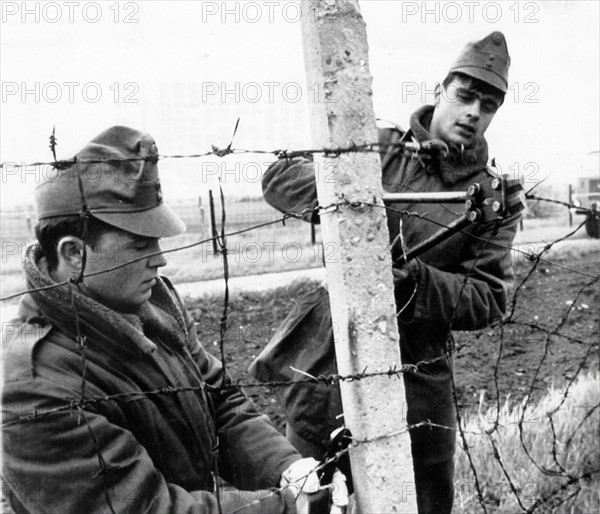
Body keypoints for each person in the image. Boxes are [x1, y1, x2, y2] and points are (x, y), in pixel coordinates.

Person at [1, 126, 348, 514]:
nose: (160, 258)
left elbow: (218, 398)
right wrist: (287, 507)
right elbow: (147, 509)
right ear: (74, 254)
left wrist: (289, 469)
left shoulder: (150, 301)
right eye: (140, 244)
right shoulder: (36, 389)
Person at [251, 32, 521, 513]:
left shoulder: (492, 196)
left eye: (488, 103)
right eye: (465, 96)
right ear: (441, 91)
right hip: (331, 362)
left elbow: (488, 298)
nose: (474, 112)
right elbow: (279, 179)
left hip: (417, 380)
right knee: (309, 501)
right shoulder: (377, 146)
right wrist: (353, 211)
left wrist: (413, 283)